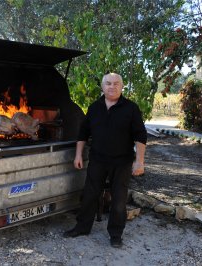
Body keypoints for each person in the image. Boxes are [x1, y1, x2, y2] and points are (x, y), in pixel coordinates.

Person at [63, 73, 147, 248]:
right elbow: (83, 133)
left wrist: (139, 161)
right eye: (108, 83)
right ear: (102, 87)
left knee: (118, 200)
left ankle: (116, 234)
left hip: (122, 162)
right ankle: (82, 227)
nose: (112, 86)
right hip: (98, 159)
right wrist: (78, 155)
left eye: (116, 83)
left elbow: (140, 135)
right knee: (89, 195)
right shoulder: (94, 108)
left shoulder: (131, 108)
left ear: (122, 87)